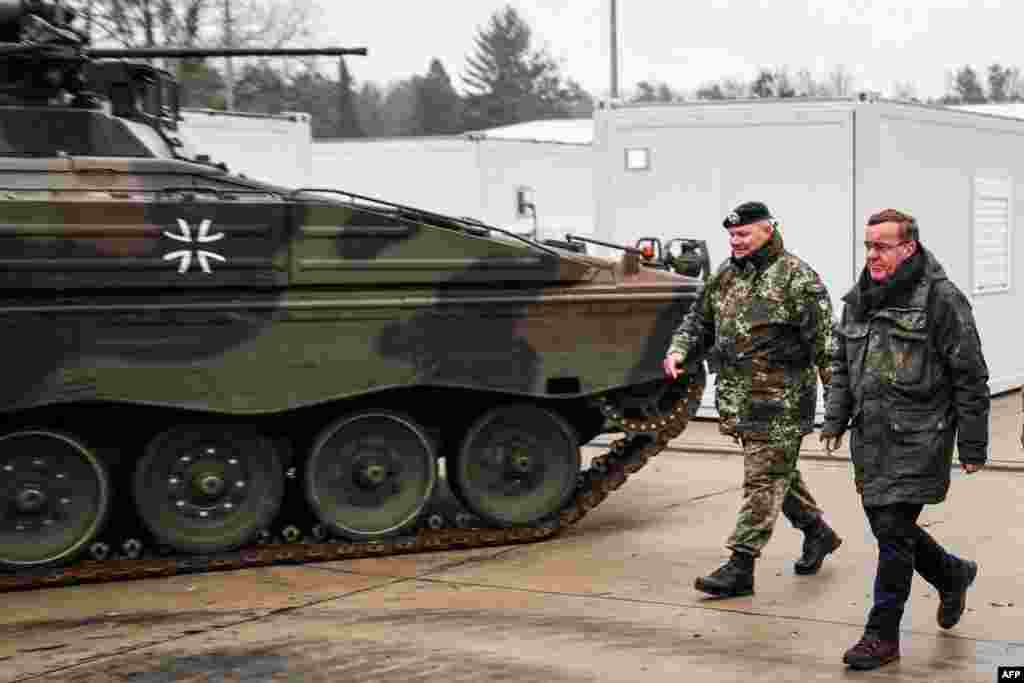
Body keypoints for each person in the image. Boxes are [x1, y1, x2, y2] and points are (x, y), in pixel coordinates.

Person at [820, 208, 990, 671]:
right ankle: (951, 573)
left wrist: (973, 445)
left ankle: (882, 636)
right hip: (870, 439)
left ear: (908, 247)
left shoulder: (941, 299)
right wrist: (834, 419)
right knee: (889, 527)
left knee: (893, 533)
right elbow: (841, 364)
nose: (872, 254)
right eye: (868, 245)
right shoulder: (859, 298)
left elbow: (970, 374)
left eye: (882, 246)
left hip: (920, 436)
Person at [663, 201, 842, 598]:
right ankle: (818, 533)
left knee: (762, 481)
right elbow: (699, 321)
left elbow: (827, 347)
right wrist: (678, 350)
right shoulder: (727, 275)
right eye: (731, 235)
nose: (735, 242)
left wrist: (838, 407)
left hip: (782, 404)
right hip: (740, 401)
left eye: (743, 234)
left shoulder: (798, 279)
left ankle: (741, 565)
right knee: (779, 475)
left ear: (768, 230)